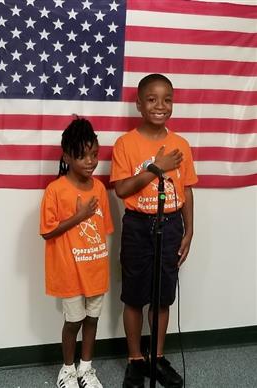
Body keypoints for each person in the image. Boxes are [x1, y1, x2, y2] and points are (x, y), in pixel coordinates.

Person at [110, 74, 198, 388]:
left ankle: (157, 357)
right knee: (134, 297)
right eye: (151, 99)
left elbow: (186, 190)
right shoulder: (125, 143)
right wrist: (155, 168)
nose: (160, 106)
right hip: (138, 226)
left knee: (162, 298)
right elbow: (121, 189)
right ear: (138, 104)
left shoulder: (180, 144)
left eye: (167, 99)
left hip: (171, 225)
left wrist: (189, 231)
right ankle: (136, 359)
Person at [40, 117, 114, 388]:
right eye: (82, 156)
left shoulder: (99, 188)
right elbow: (47, 231)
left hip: (95, 268)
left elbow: (103, 229)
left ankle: (87, 368)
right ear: (67, 156)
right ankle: (67, 370)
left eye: (94, 154)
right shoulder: (55, 190)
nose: (90, 161)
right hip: (70, 273)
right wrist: (79, 215)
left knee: (93, 319)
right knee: (74, 322)